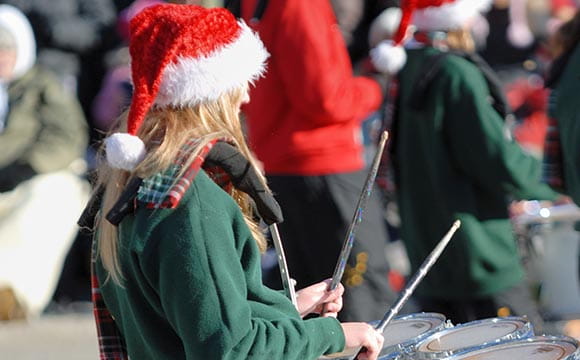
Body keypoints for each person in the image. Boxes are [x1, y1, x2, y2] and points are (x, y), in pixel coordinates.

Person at [90, 4, 384, 359]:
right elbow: (231, 349)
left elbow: (189, 314)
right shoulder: (192, 204)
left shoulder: (133, 184)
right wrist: (332, 333)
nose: (246, 97)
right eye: (239, 83)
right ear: (211, 91)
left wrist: (286, 306)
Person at [370, 0, 561, 330]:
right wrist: (557, 180)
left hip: (430, 252)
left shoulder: (411, 64)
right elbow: (498, 161)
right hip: (477, 254)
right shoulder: (455, 73)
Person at [228, 0, 398, 324]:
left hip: (288, 167)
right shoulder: (299, 5)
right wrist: (375, 87)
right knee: (361, 305)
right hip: (325, 168)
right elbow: (325, 100)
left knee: (315, 305)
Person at [0, 4, 89, 319]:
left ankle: (11, 292)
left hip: (30, 178)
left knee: (52, 195)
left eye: (6, 50)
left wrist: (27, 167)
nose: (2, 59)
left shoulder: (42, 85)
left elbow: (67, 136)